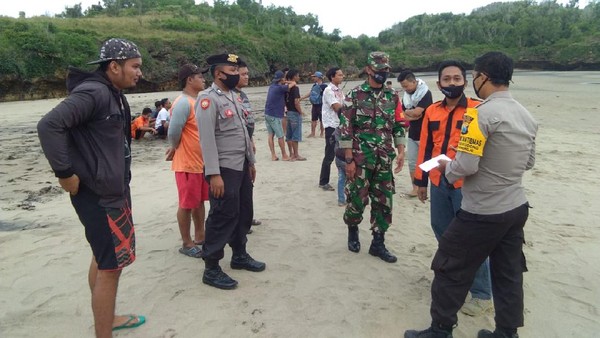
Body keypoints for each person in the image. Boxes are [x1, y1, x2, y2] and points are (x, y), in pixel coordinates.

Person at [405, 51, 538, 338]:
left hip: (482, 209)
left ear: (482, 78)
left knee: (448, 265)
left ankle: (440, 329)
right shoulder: (526, 115)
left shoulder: (478, 115)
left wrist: (446, 167)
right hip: (516, 206)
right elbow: (528, 162)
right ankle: (506, 332)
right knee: (509, 274)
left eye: (473, 76)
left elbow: (465, 165)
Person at [37, 38, 145, 337]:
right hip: (99, 195)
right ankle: (104, 331)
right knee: (111, 266)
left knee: (103, 256)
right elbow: (49, 125)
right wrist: (64, 173)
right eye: (134, 67)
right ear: (114, 66)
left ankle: (108, 318)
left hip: (111, 190)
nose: (139, 72)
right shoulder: (95, 92)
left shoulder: (112, 92)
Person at [413, 60, 493, 316]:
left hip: (466, 186)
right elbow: (426, 146)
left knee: (472, 239)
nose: (451, 83)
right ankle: (455, 276)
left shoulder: (478, 110)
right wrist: (420, 181)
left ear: (465, 82)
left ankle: (481, 292)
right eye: (446, 79)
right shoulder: (432, 112)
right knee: (443, 231)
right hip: (438, 183)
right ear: (439, 84)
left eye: (456, 79)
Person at [195, 53, 265, 290]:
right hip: (223, 168)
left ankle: (239, 254)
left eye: (238, 71)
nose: (237, 75)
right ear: (218, 74)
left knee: (244, 211)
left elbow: (244, 133)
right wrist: (213, 174)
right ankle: (211, 267)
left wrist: (251, 162)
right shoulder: (207, 99)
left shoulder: (234, 96)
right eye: (232, 71)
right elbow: (206, 140)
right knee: (222, 214)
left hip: (241, 165)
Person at [339, 51, 406, 263]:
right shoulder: (354, 95)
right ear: (369, 69)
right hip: (360, 158)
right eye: (378, 70)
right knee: (357, 199)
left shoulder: (392, 96)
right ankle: (353, 228)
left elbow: (398, 124)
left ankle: (378, 243)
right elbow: (345, 129)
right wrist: (348, 160)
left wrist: (401, 149)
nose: (382, 74)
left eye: (386, 70)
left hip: (385, 157)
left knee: (384, 201)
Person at [166, 63, 209, 258]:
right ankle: (186, 242)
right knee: (186, 203)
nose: (203, 79)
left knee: (199, 201)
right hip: (187, 164)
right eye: (200, 76)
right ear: (189, 80)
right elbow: (174, 132)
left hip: (200, 163)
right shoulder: (183, 102)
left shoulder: (197, 100)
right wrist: (175, 148)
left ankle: (200, 235)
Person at [234, 60, 262, 230]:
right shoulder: (230, 95)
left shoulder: (242, 95)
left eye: (247, 74)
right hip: (236, 149)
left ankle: (247, 217)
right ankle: (240, 221)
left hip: (247, 145)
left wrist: (251, 140)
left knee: (248, 184)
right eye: (243, 74)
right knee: (238, 187)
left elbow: (247, 120)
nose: (247, 77)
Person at [398, 70, 433, 197]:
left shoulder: (425, 93)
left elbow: (418, 112)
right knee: (412, 162)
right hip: (412, 134)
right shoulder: (406, 96)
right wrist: (411, 115)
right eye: (403, 86)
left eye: (406, 86)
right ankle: (415, 188)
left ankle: (429, 187)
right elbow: (403, 115)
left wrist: (411, 113)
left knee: (427, 162)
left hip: (426, 134)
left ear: (414, 82)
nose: (405, 89)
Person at [318, 67, 345, 192]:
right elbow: (336, 107)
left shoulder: (339, 90)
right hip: (331, 125)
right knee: (329, 154)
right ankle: (323, 182)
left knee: (344, 153)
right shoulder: (329, 90)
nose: (342, 76)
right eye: (339, 75)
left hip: (340, 125)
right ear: (332, 77)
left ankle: (344, 178)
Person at [264, 70, 295, 161]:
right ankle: (284, 155)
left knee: (271, 135)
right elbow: (293, 83)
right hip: (275, 115)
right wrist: (286, 81)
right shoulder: (280, 88)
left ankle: (273, 155)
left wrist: (283, 81)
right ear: (281, 79)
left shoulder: (272, 87)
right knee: (280, 135)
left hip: (267, 113)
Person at [284, 69, 306, 161]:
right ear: (293, 77)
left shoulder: (286, 88)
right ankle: (296, 154)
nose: (298, 77)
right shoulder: (295, 88)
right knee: (295, 135)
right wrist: (301, 112)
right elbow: (296, 102)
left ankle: (291, 154)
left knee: (289, 134)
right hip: (294, 112)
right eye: (297, 75)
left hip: (288, 112)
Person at [301, 71, 327, 138]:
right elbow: (310, 93)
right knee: (313, 119)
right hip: (314, 105)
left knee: (322, 120)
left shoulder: (324, 86)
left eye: (314, 77)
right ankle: (313, 133)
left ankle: (322, 133)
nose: (313, 78)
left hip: (321, 105)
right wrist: (302, 98)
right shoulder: (314, 85)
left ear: (318, 77)